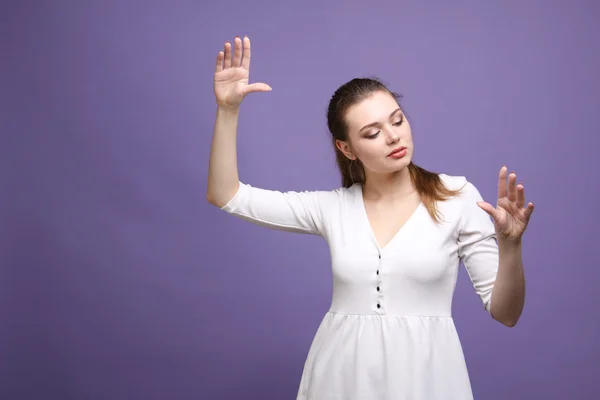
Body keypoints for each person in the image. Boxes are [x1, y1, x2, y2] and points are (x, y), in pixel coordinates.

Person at [206, 36, 535, 400]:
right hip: (340, 376)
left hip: (427, 377)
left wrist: (511, 245)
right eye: (373, 133)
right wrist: (227, 111)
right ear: (347, 148)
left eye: (398, 120)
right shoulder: (333, 208)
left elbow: (506, 312)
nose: (394, 137)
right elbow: (226, 194)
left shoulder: (456, 197)